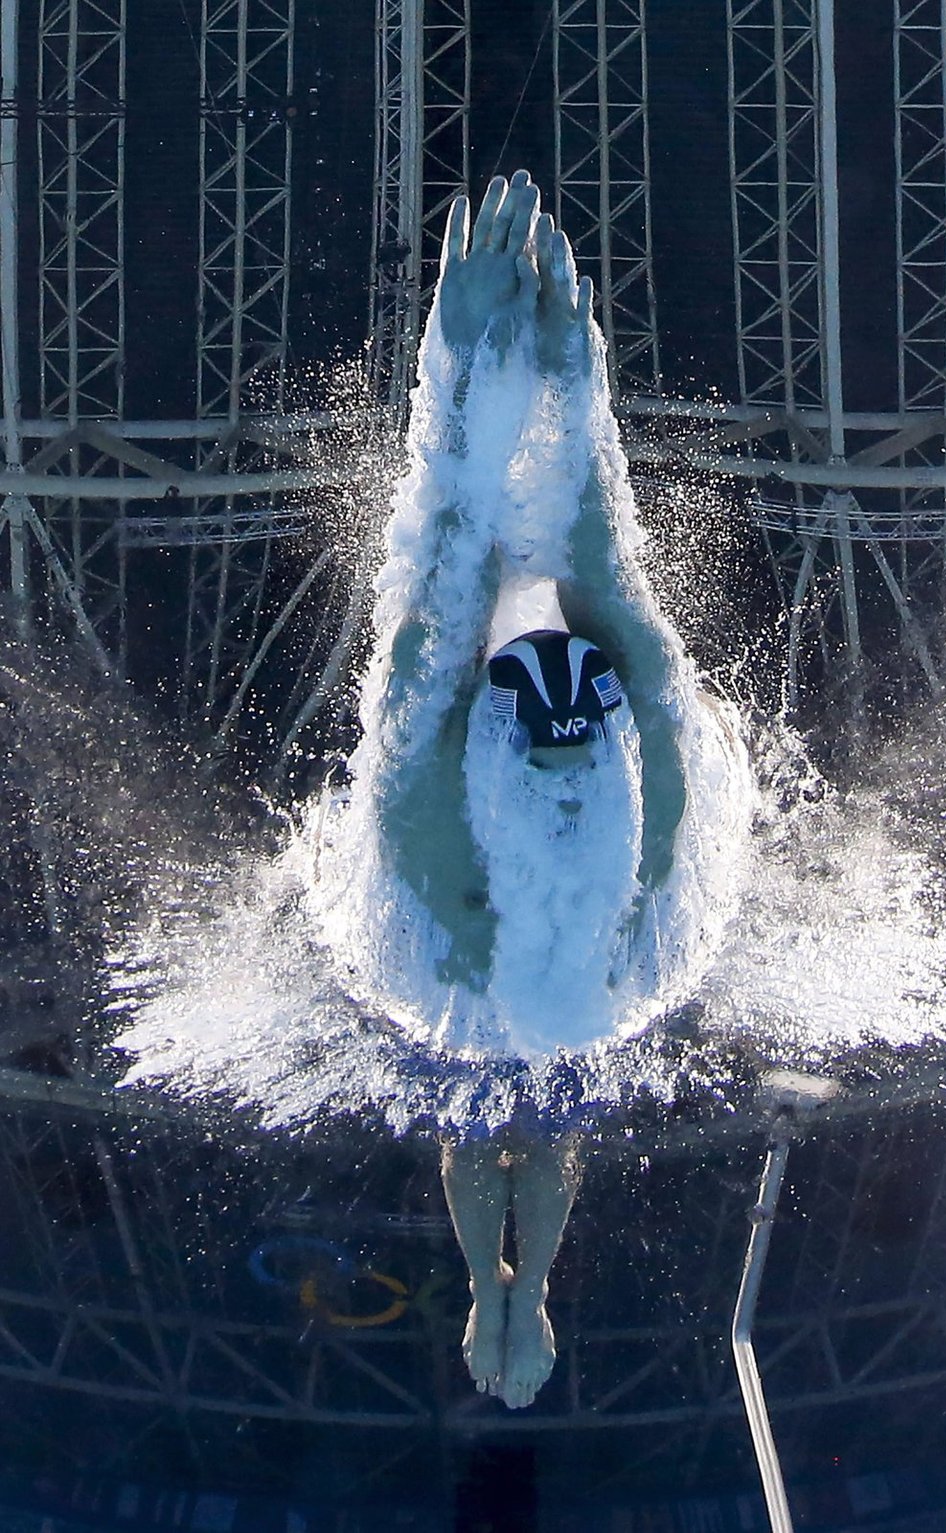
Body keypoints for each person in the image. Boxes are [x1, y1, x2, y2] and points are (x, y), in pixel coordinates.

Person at [341, 171, 745, 1407]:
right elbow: (582, 568)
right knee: (506, 1083)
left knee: (504, 1079)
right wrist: (566, 387)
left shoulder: (470, 885)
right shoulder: (641, 835)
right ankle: (509, 1295)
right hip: (553, 968)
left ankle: (513, 1296)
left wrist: (463, 382)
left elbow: (448, 596)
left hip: (513, 965)